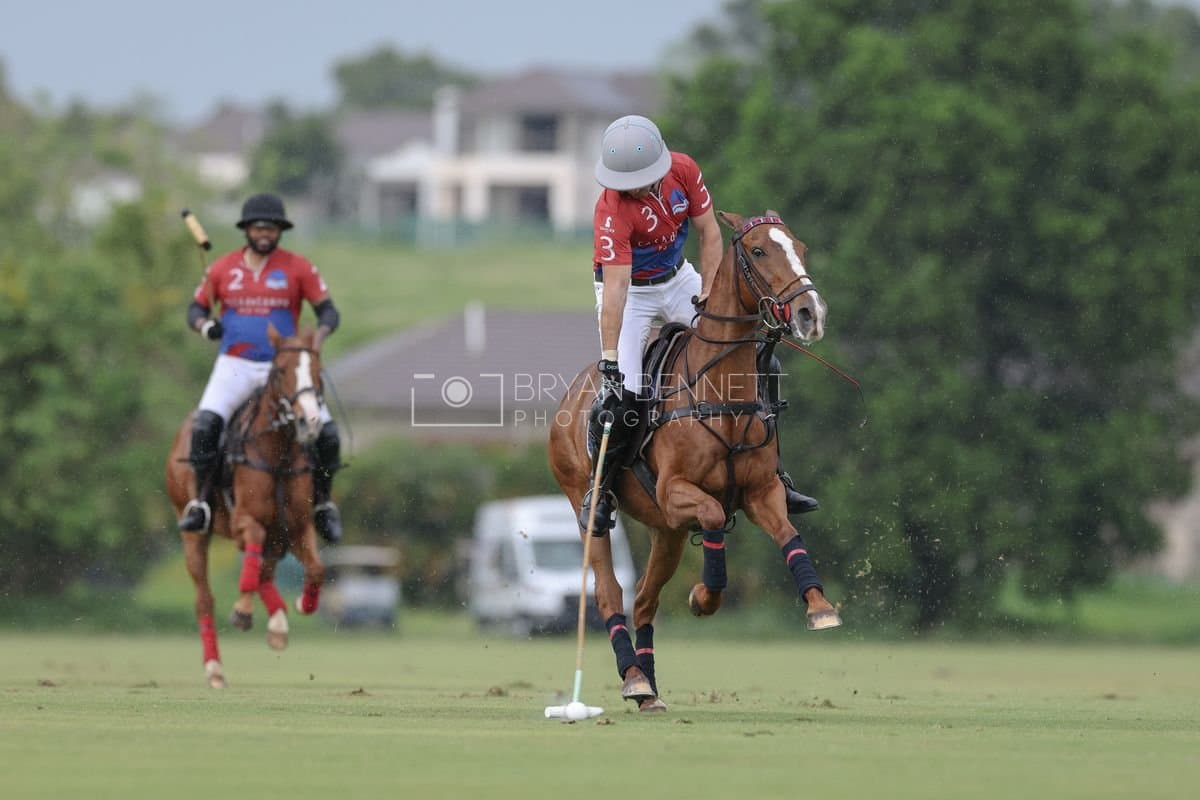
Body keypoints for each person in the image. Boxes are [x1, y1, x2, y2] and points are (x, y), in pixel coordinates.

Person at [583, 114, 818, 531]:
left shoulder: (684, 170)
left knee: (756, 359)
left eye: (640, 179)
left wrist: (708, 291)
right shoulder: (612, 209)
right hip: (630, 294)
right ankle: (599, 491)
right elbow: (617, 288)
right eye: (625, 183)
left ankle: (776, 474)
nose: (632, 188)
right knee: (623, 398)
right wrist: (609, 358)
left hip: (678, 280)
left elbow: (710, 234)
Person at [178, 192, 344, 544]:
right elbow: (195, 310)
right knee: (206, 425)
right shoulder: (221, 268)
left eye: (272, 228)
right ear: (247, 230)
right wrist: (206, 326)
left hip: (283, 371)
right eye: (259, 227)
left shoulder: (298, 267)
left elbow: (328, 311)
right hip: (235, 365)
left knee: (326, 433)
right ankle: (202, 503)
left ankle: (323, 506)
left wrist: (319, 337)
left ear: (280, 230)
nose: (265, 233)